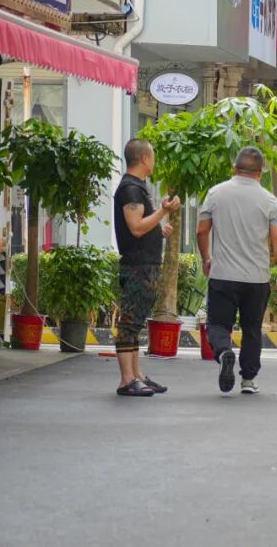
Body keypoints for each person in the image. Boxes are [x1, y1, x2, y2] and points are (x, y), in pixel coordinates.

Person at [197, 147, 277, 395]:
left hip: (223, 275)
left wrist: (206, 258)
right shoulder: (270, 201)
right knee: (252, 328)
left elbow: (202, 230)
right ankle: (248, 379)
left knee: (218, 325)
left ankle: (224, 353)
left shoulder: (216, 193)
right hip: (256, 278)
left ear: (234, 169)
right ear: (260, 173)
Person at [112, 138, 180, 397]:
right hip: (136, 266)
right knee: (130, 321)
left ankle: (136, 375)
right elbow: (136, 228)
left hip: (146, 264)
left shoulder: (138, 187)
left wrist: (159, 230)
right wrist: (162, 212)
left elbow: (142, 226)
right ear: (144, 159)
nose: (154, 161)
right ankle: (126, 379)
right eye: (152, 156)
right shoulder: (130, 189)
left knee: (136, 320)